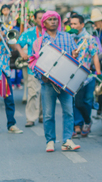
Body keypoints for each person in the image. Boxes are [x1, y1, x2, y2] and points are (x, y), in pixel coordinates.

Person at [31, 11, 80, 152]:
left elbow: (74, 61)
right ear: (44, 23)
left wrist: (75, 56)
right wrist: (42, 76)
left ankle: (67, 140)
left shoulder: (68, 37)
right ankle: (50, 141)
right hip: (47, 84)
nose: (53, 21)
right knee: (48, 114)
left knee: (69, 112)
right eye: (50, 19)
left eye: (55, 19)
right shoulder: (38, 42)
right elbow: (33, 63)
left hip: (65, 83)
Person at [0, 15, 23, 135]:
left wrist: (6, 39)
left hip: (4, 73)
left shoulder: (4, 35)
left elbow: (14, 47)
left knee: (9, 99)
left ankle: (11, 124)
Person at [70, 14, 101, 137]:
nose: (72, 26)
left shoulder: (89, 39)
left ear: (82, 25)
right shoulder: (69, 37)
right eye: (71, 24)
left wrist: (98, 72)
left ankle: (86, 123)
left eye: (75, 24)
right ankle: (77, 124)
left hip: (87, 76)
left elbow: (95, 55)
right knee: (75, 102)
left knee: (87, 101)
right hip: (72, 75)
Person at [16, 10, 45, 127]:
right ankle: (31, 118)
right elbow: (18, 43)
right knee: (33, 92)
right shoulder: (29, 33)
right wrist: (22, 53)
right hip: (33, 68)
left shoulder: (51, 33)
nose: (42, 20)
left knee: (45, 93)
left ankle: (42, 115)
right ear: (34, 19)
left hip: (48, 70)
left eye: (44, 18)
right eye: (39, 18)